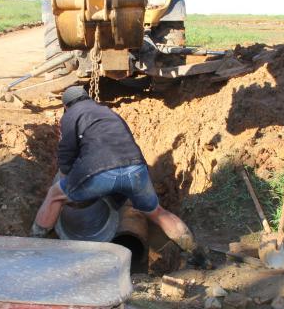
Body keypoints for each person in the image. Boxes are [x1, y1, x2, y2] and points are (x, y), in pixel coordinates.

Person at [32, 86, 210, 267]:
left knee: (54, 195)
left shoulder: (71, 115)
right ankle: (196, 254)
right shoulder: (109, 113)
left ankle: (33, 246)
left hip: (100, 168)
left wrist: (65, 181)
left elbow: (67, 154)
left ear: (66, 106)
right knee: (157, 212)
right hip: (136, 168)